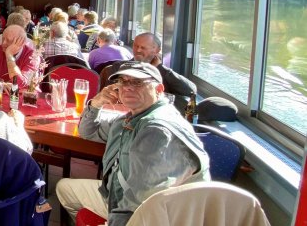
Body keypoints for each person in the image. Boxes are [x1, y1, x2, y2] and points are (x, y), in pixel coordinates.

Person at [56, 62, 210, 226]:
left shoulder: (156, 131)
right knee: (65, 188)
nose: (128, 87)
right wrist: (96, 103)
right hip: (117, 196)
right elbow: (87, 131)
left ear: (159, 90)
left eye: (138, 82)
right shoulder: (130, 118)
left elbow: (141, 201)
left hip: (162, 217)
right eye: (123, 82)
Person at [0, 25, 38, 90]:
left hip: (24, 97)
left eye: (9, 40)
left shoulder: (33, 55)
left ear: (21, 43)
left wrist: (9, 55)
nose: (3, 43)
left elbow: (20, 83)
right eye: (3, 39)